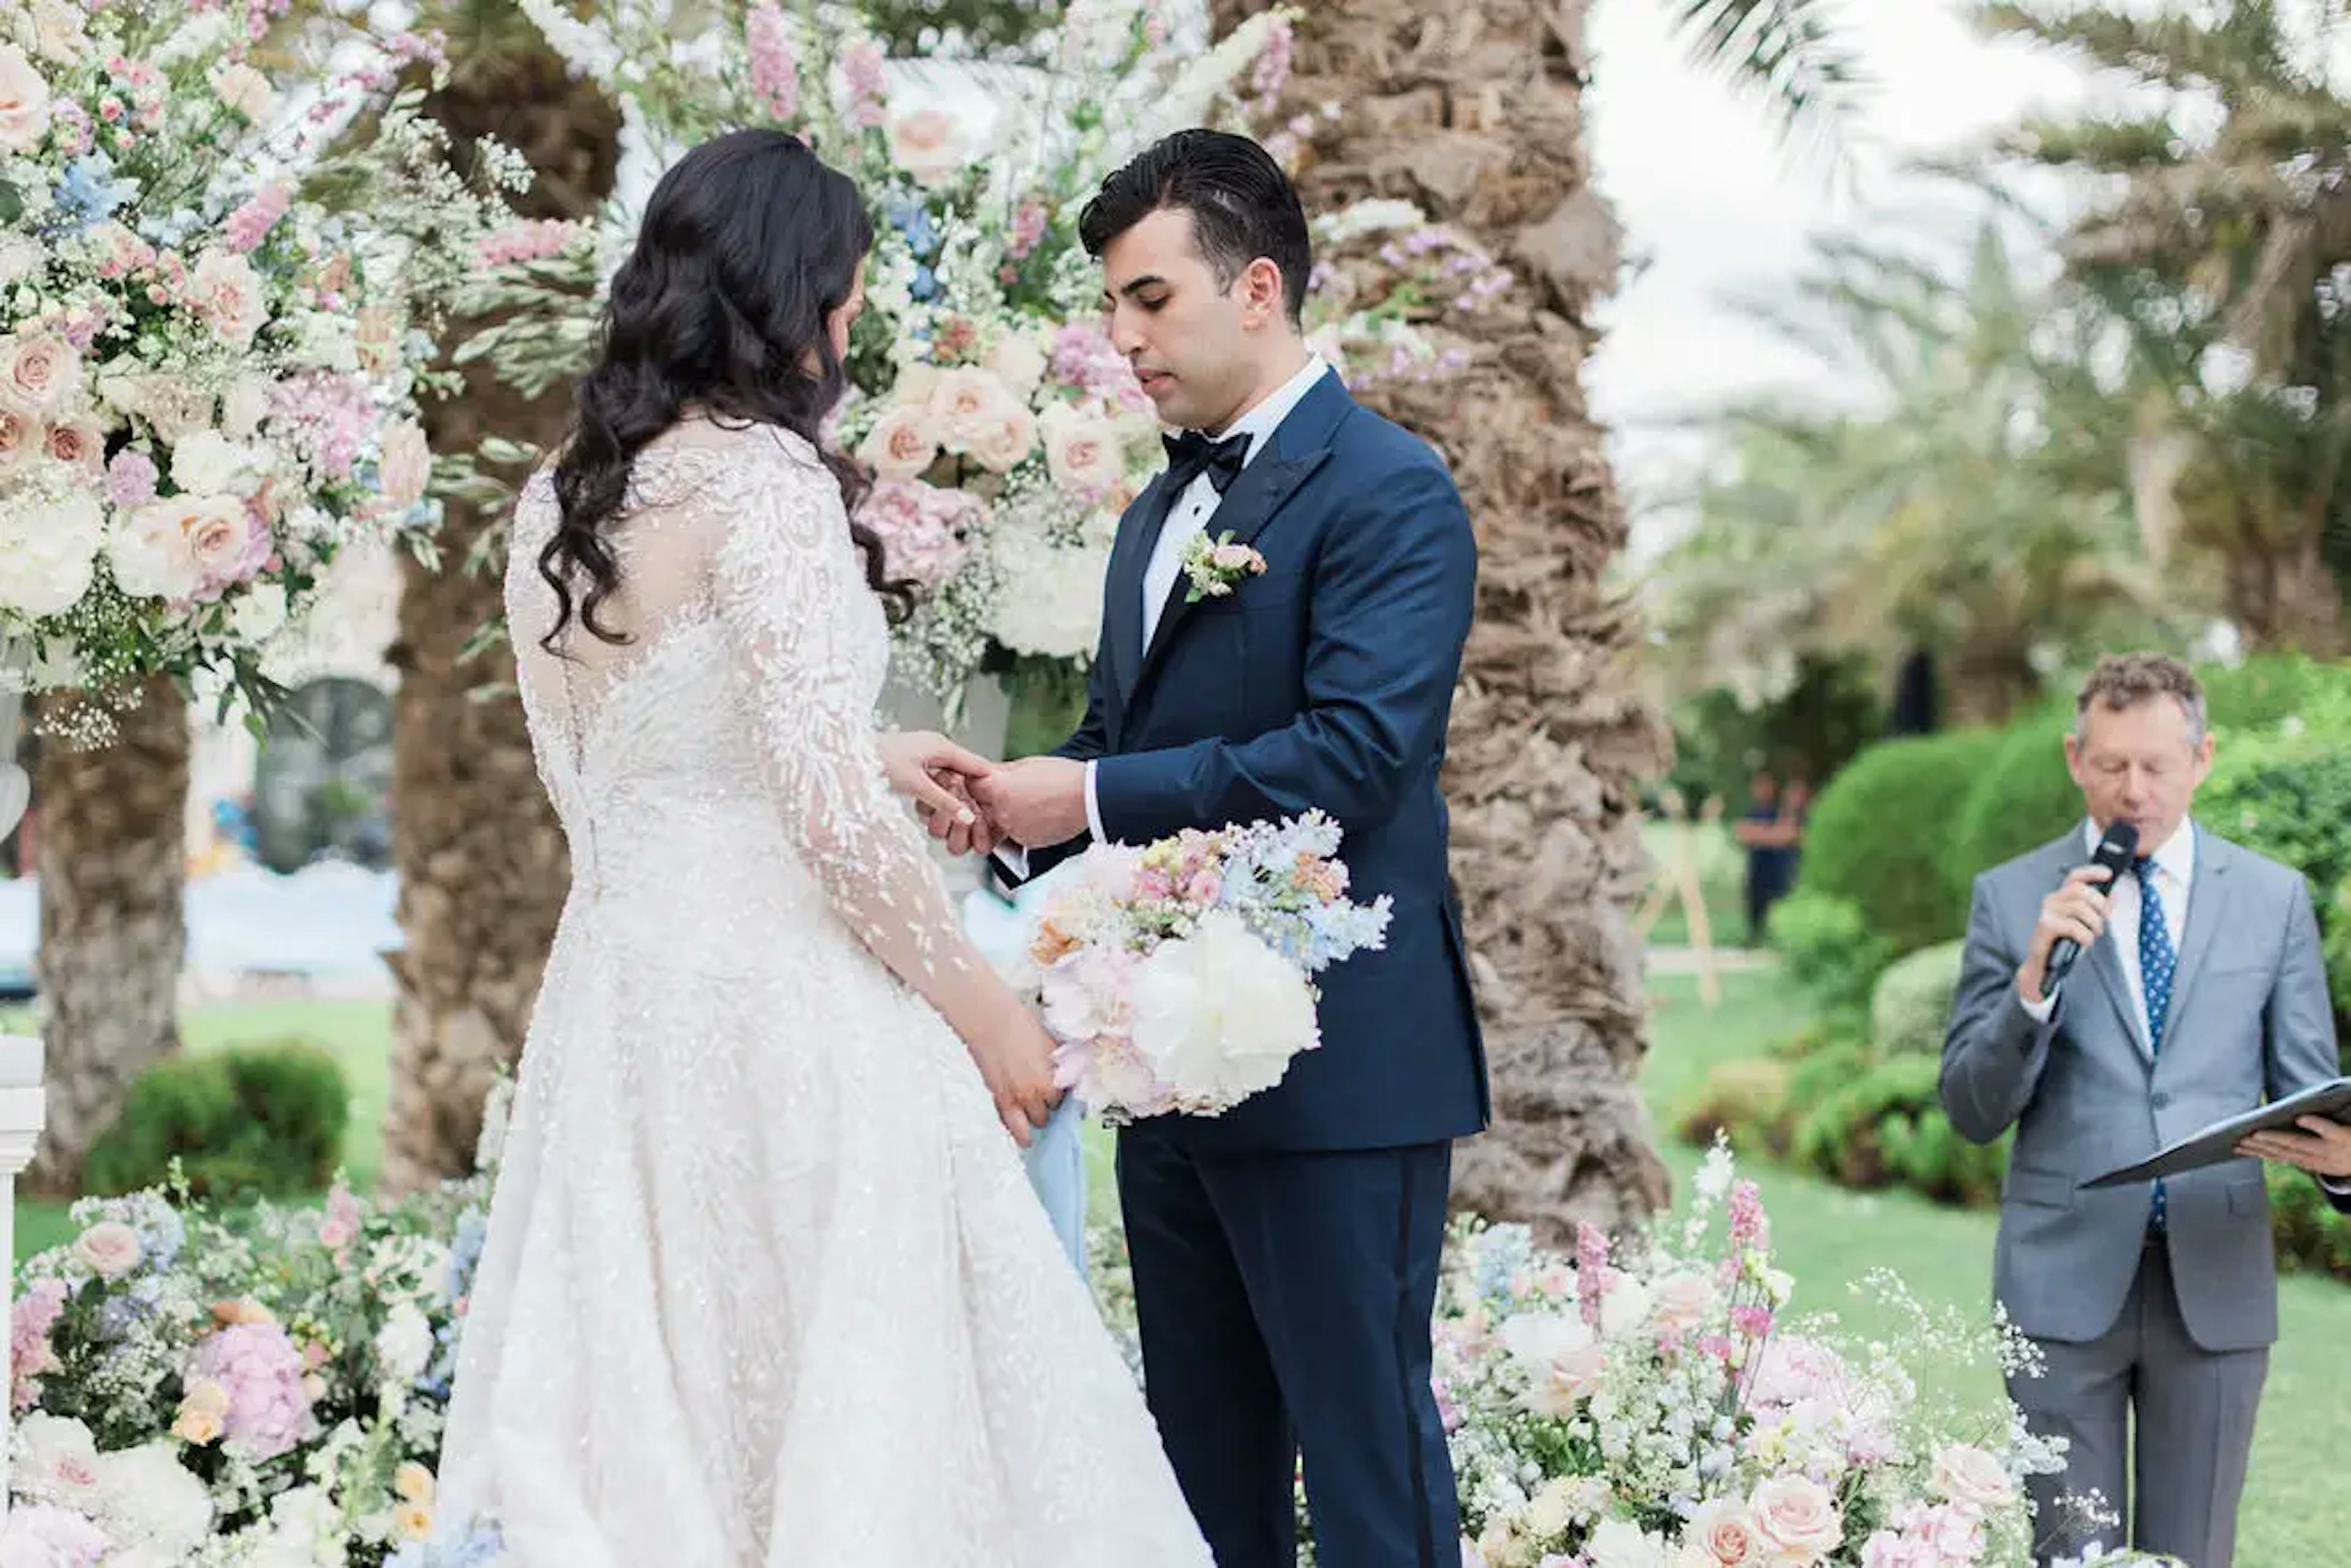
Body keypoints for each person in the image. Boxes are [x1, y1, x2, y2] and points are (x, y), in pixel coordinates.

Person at [434, 129, 1212, 1566]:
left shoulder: (561, 493)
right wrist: (986, 1015)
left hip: (615, 1001)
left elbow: (639, 761)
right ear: (788, 293)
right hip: (784, 998)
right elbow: (818, 819)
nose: (852, 322)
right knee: (863, 1384)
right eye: (844, 291)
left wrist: (863, 747)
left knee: (671, 1404)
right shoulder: (762, 481)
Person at [932, 130, 1487, 1568]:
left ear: (1255, 287)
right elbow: (1120, 737)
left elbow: (1356, 753)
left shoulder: (1391, 492)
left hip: (1336, 1070)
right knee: (1194, 1472)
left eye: (1148, 298)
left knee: (1369, 1468)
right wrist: (1000, 817)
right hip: (1161, 1065)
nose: (1121, 337)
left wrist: (1095, 799)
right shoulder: (1150, 513)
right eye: (1112, 305)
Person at [1940, 652, 2351, 1567]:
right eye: (2112, 763)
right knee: (2071, 1559)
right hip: (2060, 1287)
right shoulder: (2011, 900)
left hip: (2215, 1284)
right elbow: (1972, 1108)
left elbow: (2308, 1082)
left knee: (2195, 1556)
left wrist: (2345, 1164)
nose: (2134, 790)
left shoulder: (2274, 900)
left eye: (2157, 766)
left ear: (2202, 758)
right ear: (2074, 757)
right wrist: (2033, 985)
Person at [1732, 769, 1805, 945]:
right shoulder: (1752, 812)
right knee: (1755, 905)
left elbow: (1791, 835)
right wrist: (1774, 836)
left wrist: (1763, 836)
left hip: (1780, 870)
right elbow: (1743, 833)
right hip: (1758, 869)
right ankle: (1754, 937)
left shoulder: (1782, 813)